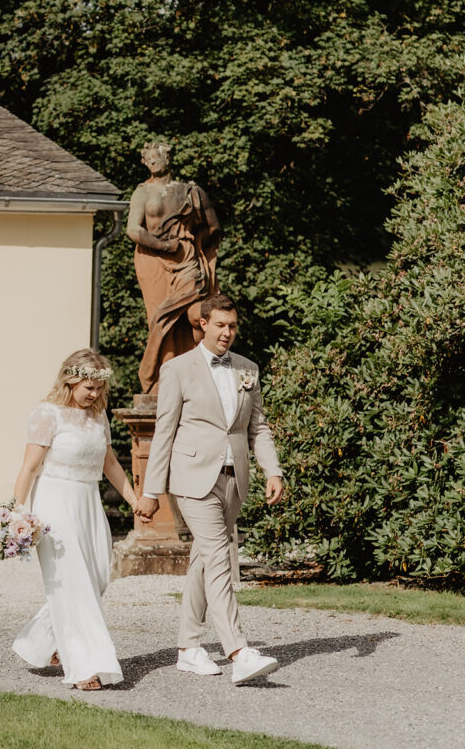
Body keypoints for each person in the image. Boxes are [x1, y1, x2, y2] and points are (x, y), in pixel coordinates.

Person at [136, 293, 284, 685]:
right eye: (220, 325)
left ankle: (188, 649)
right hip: (192, 478)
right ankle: (238, 651)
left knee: (205, 558)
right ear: (202, 324)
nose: (227, 333)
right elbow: (164, 432)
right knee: (220, 557)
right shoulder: (178, 369)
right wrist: (151, 492)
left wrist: (273, 470)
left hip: (235, 477)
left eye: (233, 326)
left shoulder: (247, 369)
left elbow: (258, 427)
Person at [11, 349, 137, 690]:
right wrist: (17, 513)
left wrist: (134, 501)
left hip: (88, 502)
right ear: (70, 380)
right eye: (88, 387)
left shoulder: (99, 418)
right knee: (74, 585)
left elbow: (110, 463)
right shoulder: (47, 414)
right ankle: (84, 665)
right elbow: (29, 467)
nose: (94, 394)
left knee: (96, 578)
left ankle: (43, 642)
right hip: (54, 503)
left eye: (98, 388)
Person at [126, 141, 221, 394]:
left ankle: (200, 371)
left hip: (187, 259)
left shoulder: (191, 191)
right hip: (154, 262)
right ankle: (164, 383)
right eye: (147, 159)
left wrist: (196, 245)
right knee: (163, 320)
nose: (151, 162)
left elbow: (213, 227)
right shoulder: (142, 193)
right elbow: (133, 229)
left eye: (155, 157)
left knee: (196, 315)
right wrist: (162, 245)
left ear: (168, 159)